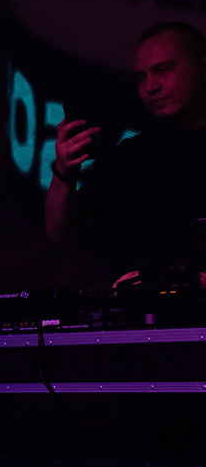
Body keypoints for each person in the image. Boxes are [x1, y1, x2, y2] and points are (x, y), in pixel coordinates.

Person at [46, 21, 206, 289]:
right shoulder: (132, 154)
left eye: (162, 70)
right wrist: (64, 171)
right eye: (141, 77)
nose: (151, 87)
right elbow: (58, 231)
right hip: (136, 314)